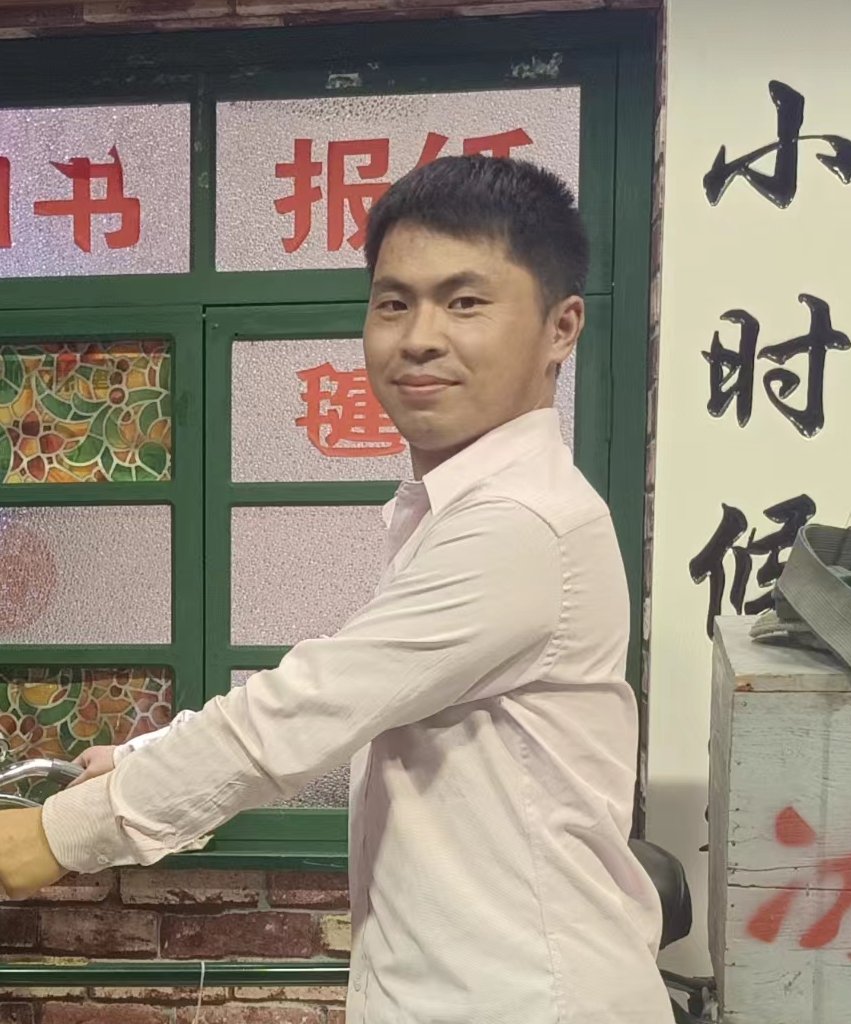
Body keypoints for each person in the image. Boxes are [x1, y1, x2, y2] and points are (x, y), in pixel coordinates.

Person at [0, 155, 674, 1023]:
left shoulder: (519, 524)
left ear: (561, 327)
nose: (419, 337)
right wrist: (137, 760)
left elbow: (306, 709)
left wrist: (56, 835)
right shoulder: (458, 509)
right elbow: (358, 705)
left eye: (465, 302)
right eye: (393, 303)